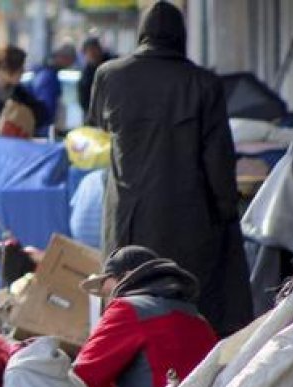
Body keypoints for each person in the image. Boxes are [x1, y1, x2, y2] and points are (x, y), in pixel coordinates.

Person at [87, 1, 252, 337]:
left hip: (127, 221)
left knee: (129, 305)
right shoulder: (204, 84)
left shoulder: (109, 76)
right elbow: (218, 159)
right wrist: (226, 213)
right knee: (191, 309)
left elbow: (100, 129)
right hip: (188, 221)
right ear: (181, 36)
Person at [74, 246, 218, 387]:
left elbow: (82, 381)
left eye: (107, 291)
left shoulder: (128, 309)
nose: (108, 300)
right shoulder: (199, 320)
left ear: (126, 276)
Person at [27, 43, 77, 136]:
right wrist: (48, 129)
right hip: (43, 130)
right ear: (62, 57)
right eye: (70, 60)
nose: (70, 64)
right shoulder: (48, 77)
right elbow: (46, 106)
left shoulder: (45, 73)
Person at [77, 36, 113, 114]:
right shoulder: (86, 73)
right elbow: (84, 98)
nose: (92, 53)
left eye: (94, 49)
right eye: (89, 51)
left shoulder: (112, 64)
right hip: (95, 114)